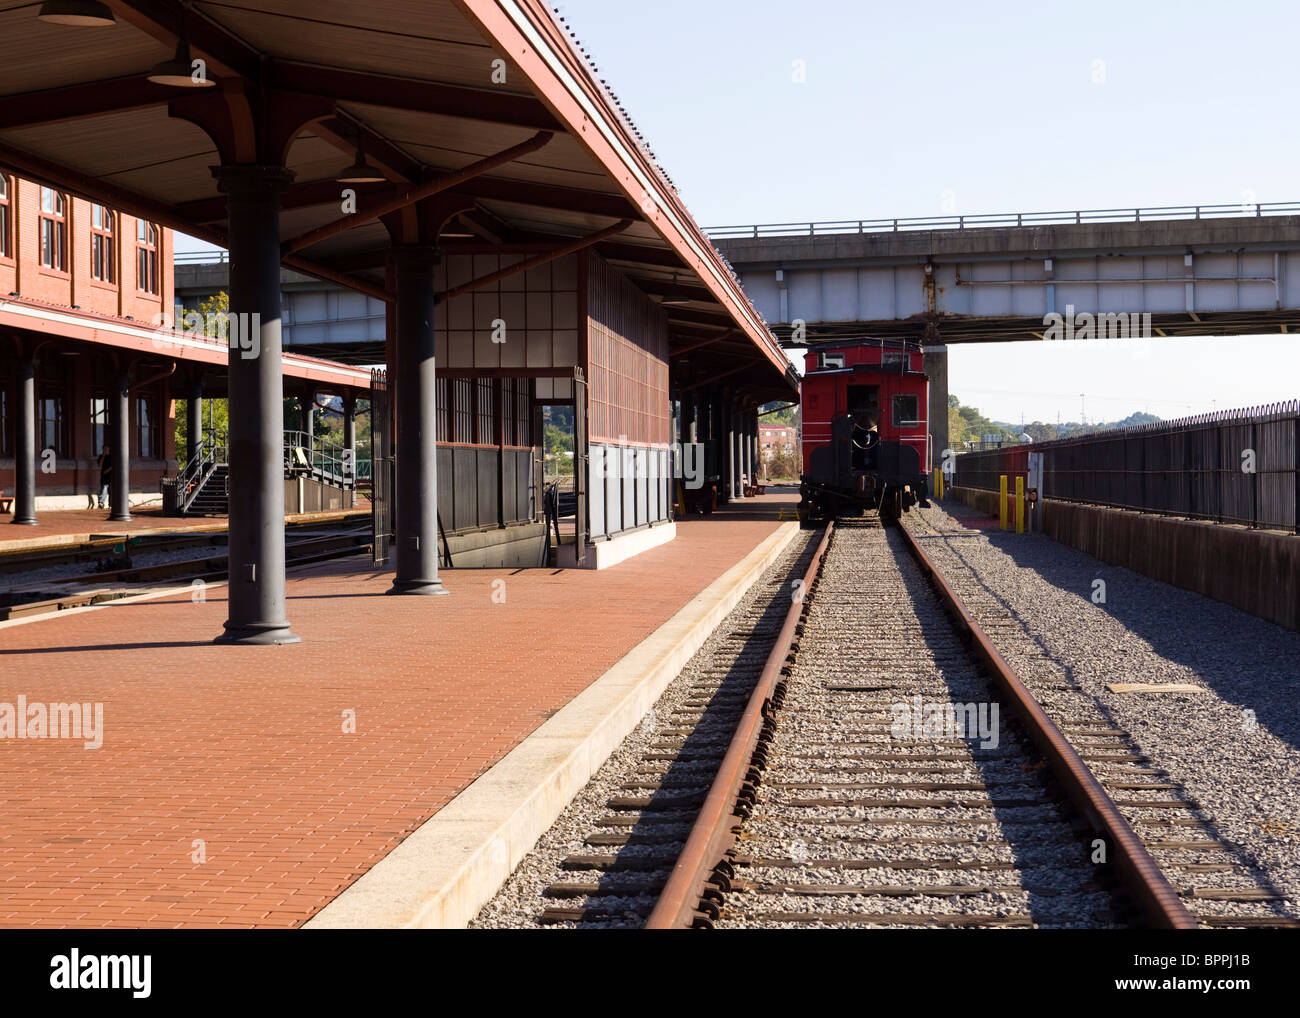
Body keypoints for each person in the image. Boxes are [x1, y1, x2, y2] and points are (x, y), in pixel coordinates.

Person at [97, 445, 112, 510]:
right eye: (104, 449)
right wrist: (103, 456)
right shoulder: (100, 457)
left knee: (111, 491)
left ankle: (111, 505)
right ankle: (101, 503)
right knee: (104, 489)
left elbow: (113, 466)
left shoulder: (111, 457)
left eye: (106, 449)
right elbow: (100, 465)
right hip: (104, 476)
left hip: (111, 476)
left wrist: (107, 470)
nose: (105, 450)